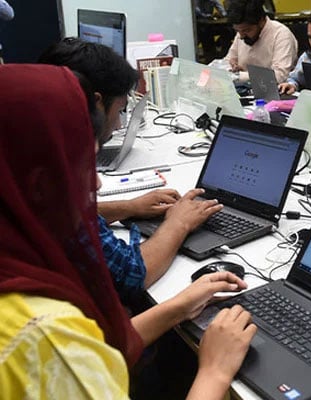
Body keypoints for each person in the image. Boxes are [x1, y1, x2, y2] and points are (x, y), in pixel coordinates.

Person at [0, 63, 256, 398]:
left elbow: (99, 346)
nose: (96, 182)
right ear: (39, 185)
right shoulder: (44, 338)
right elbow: (66, 350)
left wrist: (178, 306)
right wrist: (214, 371)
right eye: (85, 164)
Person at [38, 38, 224, 305]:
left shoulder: (28, 143)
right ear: (96, 104)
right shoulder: (49, 168)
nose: (117, 125)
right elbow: (130, 275)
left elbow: (59, 215)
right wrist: (178, 223)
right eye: (120, 110)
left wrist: (129, 206)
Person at [224, 0, 298, 83]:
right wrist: (232, 67)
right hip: (245, 88)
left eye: (247, 30)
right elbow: (227, 61)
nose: (241, 36)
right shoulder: (242, 33)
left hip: (273, 91)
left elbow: (279, 76)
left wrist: (240, 75)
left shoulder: (281, 34)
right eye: (237, 30)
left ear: (261, 21)